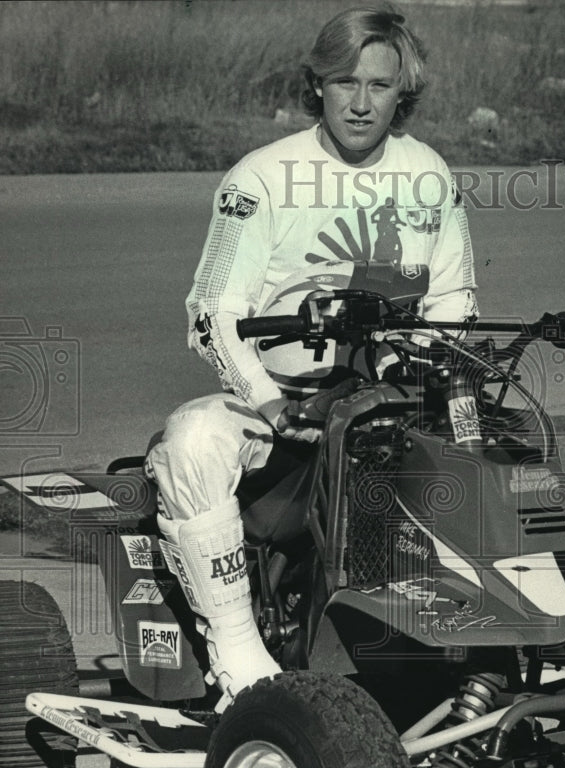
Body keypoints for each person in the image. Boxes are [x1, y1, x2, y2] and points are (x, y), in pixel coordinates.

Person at [145, 2, 478, 711]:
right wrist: (268, 399)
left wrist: (413, 375)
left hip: (385, 401)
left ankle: (475, 659)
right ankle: (242, 662)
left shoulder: (430, 176)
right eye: (344, 82)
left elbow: (454, 299)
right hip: (281, 401)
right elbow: (212, 317)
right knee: (193, 440)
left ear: (403, 92)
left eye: (379, 86)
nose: (361, 104)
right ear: (317, 85)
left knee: (497, 447)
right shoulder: (260, 177)